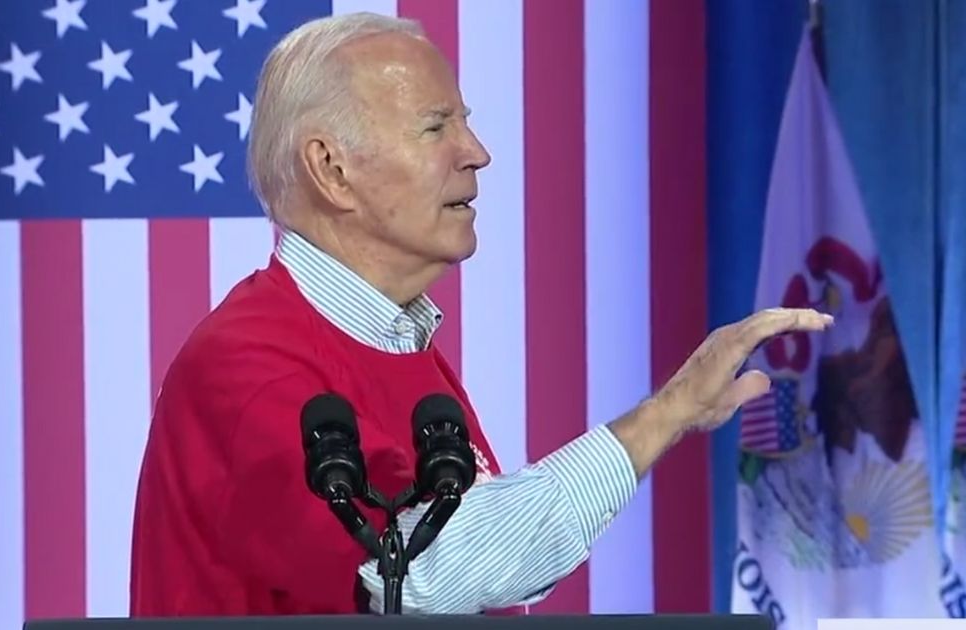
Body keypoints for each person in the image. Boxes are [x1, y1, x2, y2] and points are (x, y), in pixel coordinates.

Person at [128, 12, 833, 617]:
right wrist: (665, 413)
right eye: (437, 127)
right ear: (332, 170)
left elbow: (486, 580)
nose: (478, 154)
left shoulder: (399, 340)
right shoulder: (247, 363)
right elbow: (423, 574)